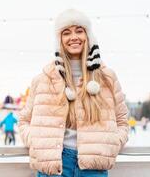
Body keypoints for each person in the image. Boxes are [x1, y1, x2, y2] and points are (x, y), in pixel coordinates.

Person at [18, 9, 129, 177]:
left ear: (88, 36)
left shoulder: (107, 78)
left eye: (79, 30)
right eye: (66, 33)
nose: (73, 37)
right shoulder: (43, 79)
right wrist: (36, 143)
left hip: (94, 168)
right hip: (55, 167)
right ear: (60, 40)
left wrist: (112, 144)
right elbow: (24, 120)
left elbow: (122, 121)